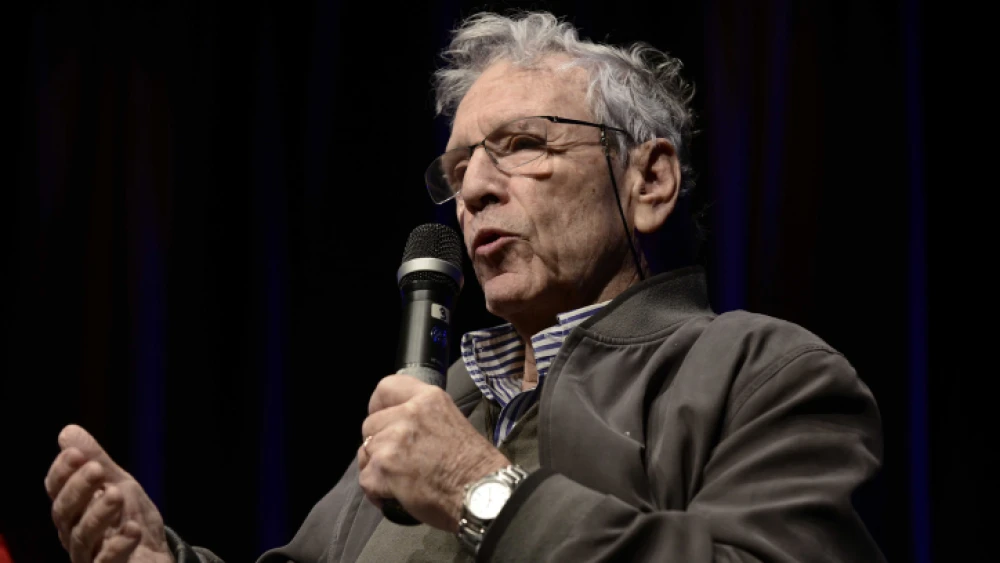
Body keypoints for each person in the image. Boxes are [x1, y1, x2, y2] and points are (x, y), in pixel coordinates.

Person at [43, 10, 886, 563]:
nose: (473, 188)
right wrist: (165, 557)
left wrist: (481, 492)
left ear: (650, 181)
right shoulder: (437, 405)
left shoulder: (766, 370)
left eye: (520, 144)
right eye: (457, 167)